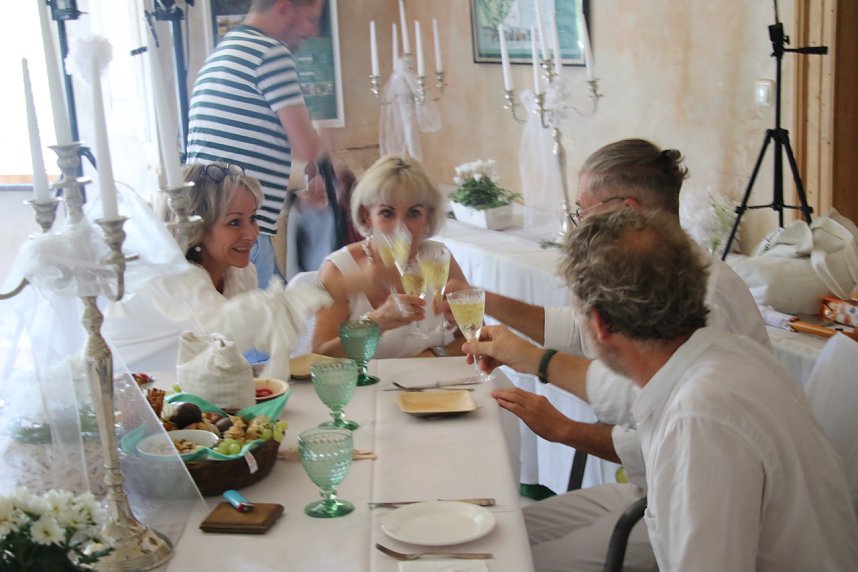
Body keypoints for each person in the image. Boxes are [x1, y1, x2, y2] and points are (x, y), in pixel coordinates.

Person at [470, 208, 858, 570]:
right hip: (653, 497)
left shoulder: (702, 414)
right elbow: (653, 445)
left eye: (579, 316)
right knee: (494, 542)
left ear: (601, 324)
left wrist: (559, 411)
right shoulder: (714, 355)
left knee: (504, 562)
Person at [450, 139, 771, 571]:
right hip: (649, 488)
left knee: (510, 563)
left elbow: (663, 437)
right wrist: (514, 338)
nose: (577, 225)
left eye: (581, 211)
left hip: (684, 500)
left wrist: (563, 426)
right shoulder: (667, 277)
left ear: (627, 208)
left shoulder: (702, 298)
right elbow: (628, 390)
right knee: (496, 536)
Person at [103, 163, 337, 380]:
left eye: (253, 218)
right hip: (126, 394)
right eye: (234, 222)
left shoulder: (241, 274)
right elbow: (222, 329)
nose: (252, 234)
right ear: (196, 228)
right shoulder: (171, 278)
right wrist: (314, 293)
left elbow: (234, 349)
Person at [186, 0, 326, 288]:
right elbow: (307, 147)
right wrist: (327, 150)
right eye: (310, 18)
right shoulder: (270, 54)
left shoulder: (222, 53)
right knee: (269, 326)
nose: (312, 31)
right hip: (242, 229)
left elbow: (243, 153)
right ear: (284, 9)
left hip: (211, 231)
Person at [313, 154, 468, 359]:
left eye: (413, 213)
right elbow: (320, 357)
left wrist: (435, 354)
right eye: (387, 213)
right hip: (365, 388)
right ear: (368, 217)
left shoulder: (438, 258)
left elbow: (474, 335)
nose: (400, 227)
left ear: (427, 218)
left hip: (430, 386)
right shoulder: (340, 269)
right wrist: (376, 323)